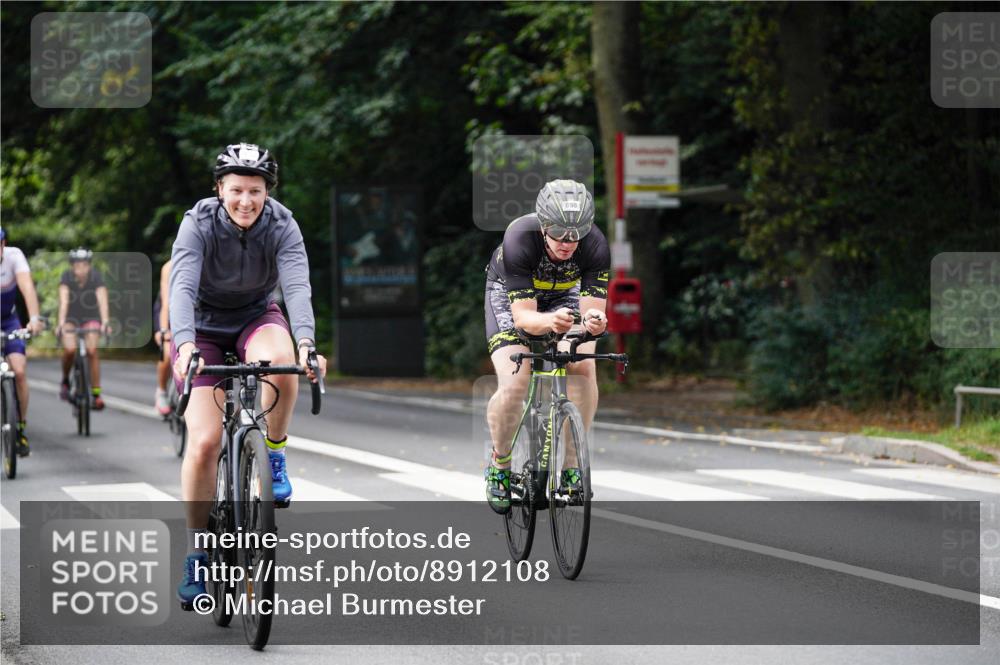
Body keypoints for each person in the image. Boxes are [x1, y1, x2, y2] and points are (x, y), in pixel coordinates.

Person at [170, 142, 326, 609]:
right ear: (219, 189)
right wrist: (184, 345)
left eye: (255, 191)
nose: (245, 200)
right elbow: (182, 286)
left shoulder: (283, 224)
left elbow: (296, 286)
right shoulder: (197, 222)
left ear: (267, 193)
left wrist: (306, 342)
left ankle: (273, 455)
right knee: (203, 443)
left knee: (282, 361)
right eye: (236, 190)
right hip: (202, 328)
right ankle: (198, 554)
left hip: (255, 317)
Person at [483, 179, 609, 514]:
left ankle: (571, 467)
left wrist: (594, 322)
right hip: (511, 298)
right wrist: (551, 321)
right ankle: (500, 463)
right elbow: (524, 319)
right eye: (558, 233)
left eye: (576, 234)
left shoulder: (595, 243)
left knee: (583, 365)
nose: (568, 242)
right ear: (542, 225)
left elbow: (593, 311)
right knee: (516, 383)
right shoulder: (519, 237)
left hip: (565, 295)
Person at [0, 228, 45, 456]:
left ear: (3, 244)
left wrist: (34, 319)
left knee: (19, 371)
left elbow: (27, 287)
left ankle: (20, 427)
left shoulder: (14, 256)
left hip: (9, 320)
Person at [57, 248, 110, 410]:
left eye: (85, 265)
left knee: (92, 351)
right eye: (77, 265)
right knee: (70, 350)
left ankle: (96, 393)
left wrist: (105, 322)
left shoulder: (96, 277)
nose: (81, 268)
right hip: (71, 318)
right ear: (72, 266)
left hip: (90, 317)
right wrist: (61, 324)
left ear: (89, 265)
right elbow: (64, 302)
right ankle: (65, 380)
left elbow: (102, 301)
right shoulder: (66, 277)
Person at [152, 259, 172, 415]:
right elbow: (166, 304)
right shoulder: (169, 267)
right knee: (167, 353)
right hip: (167, 310)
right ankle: (161, 391)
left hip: (195, 311)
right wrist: (164, 330)